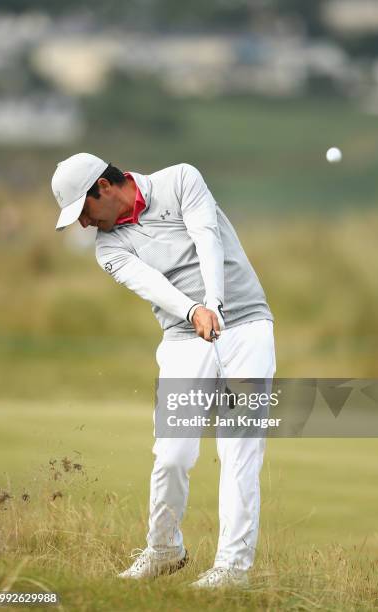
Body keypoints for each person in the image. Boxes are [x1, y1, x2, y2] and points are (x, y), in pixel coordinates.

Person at [51, 152, 276, 589]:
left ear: (104, 187)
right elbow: (155, 286)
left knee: (239, 450)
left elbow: (207, 237)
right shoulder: (108, 247)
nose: (83, 224)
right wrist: (195, 311)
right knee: (172, 455)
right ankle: (164, 550)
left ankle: (232, 568)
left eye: (83, 211)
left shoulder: (180, 180)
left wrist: (213, 303)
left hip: (247, 323)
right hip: (182, 335)